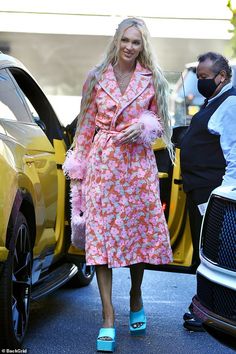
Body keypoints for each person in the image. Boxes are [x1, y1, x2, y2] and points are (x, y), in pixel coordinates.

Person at [63, 17, 173, 352]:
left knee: (137, 236)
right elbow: (83, 129)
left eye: (136, 42)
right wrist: (78, 177)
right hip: (104, 166)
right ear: (116, 41)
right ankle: (108, 316)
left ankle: (136, 294)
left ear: (143, 46)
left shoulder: (152, 79)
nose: (129, 47)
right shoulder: (96, 77)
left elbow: (161, 124)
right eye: (125, 40)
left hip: (138, 166)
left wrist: (144, 127)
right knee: (101, 241)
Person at [180, 52, 236, 331]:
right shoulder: (213, 101)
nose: (200, 82)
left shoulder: (230, 103)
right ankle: (204, 306)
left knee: (212, 255)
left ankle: (210, 311)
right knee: (204, 253)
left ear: (221, 77)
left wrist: (223, 197)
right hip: (200, 189)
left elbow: (234, 155)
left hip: (213, 194)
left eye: (203, 78)